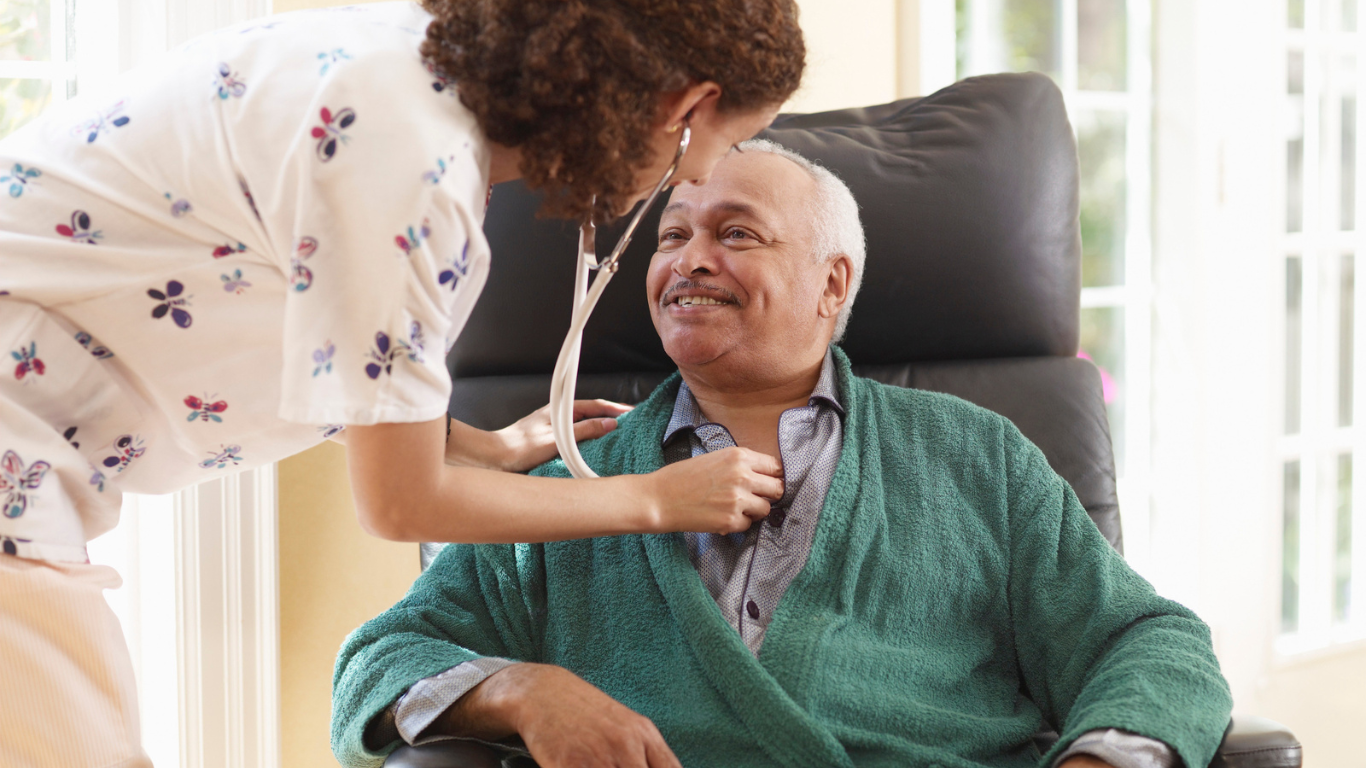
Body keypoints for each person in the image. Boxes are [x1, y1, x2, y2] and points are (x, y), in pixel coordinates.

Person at [0, 1, 805, 765]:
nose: (690, 179)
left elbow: (334, 346)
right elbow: (399, 504)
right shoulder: (412, 167)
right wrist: (655, 498)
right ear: (684, 106)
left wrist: (474, 447)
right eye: (716, 148)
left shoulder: (406, 67)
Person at [331, 142, 1234, 768]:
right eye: (673, 234)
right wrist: (522, 692)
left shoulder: (976, 457)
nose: (687, 260)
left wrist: (1104, 757)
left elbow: (1146, 641)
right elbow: (378, 661)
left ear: (831, 283)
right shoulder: (574, 484)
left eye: (736, 234)